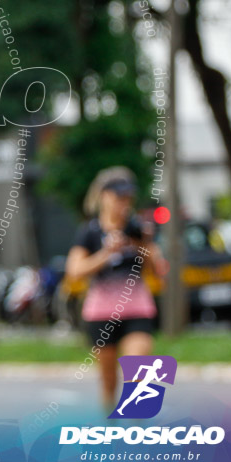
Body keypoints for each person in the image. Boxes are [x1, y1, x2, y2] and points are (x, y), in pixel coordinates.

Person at [65, 167, 168, 410]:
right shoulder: (90, 232)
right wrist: (106, 253)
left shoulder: (137, 229)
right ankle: (111, 428)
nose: (124, 204)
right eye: (119, 197)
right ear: (104, 196)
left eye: (128, 198)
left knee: (139, 370)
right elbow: (75, 270)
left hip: (137, 308)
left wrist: (144, 244)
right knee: (109, 381)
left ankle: (138, 427)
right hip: (101, 312)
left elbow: (159, 270)